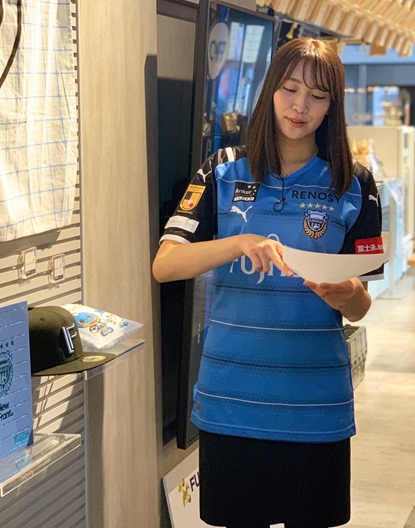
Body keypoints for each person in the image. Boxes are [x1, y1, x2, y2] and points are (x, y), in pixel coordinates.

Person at [152, 37, 382, 528]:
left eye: (317, 96)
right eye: (289, 89)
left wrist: (348, 295)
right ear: (270, 90)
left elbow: (362, 303)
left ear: (333, 106)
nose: (300, 106)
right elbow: (166, 265)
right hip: (231, 403)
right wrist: (239, 243)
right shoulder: (220, 170)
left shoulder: (355, 183)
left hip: (316, 406)